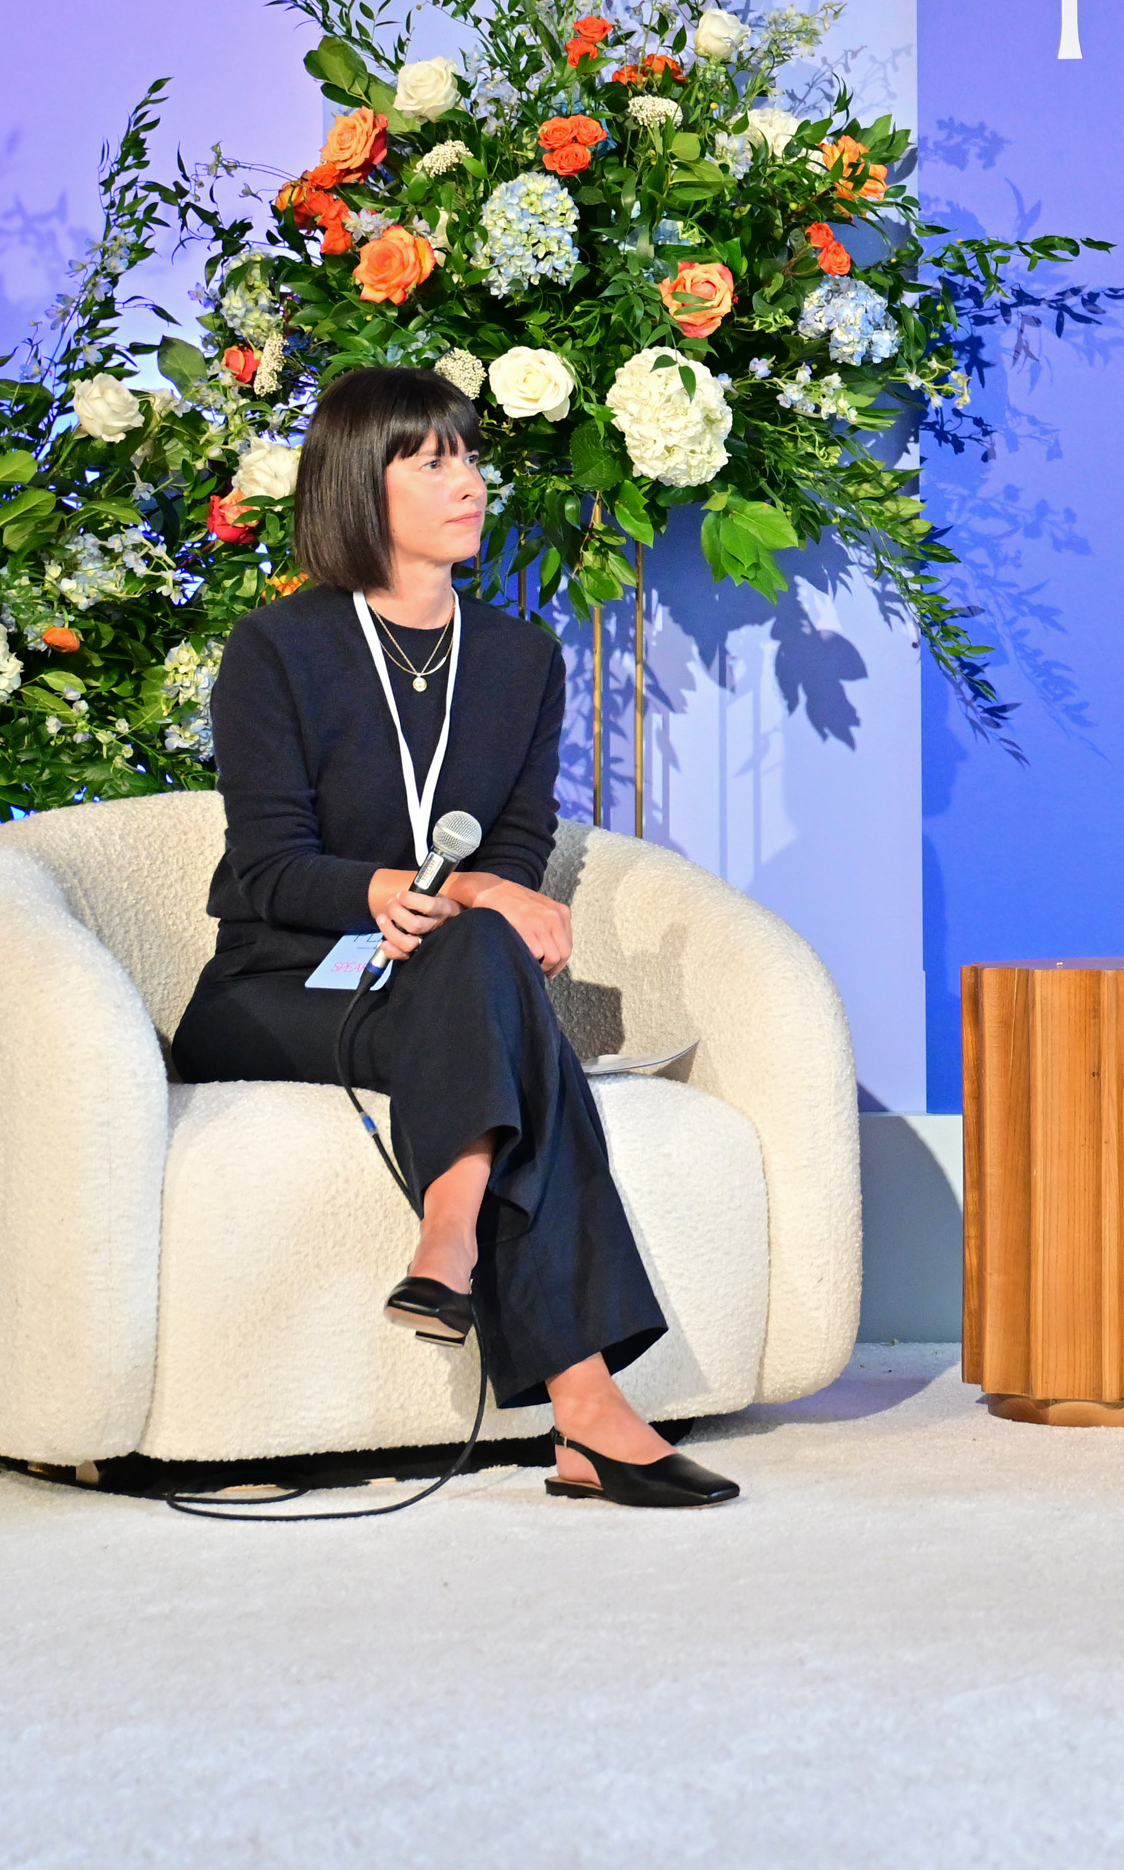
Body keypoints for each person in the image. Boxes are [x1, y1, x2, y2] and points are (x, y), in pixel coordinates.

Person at [169, 367, 737, 1508]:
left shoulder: (522, 659)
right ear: (357, 485)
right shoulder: (277, 648)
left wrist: (485, 900)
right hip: (283, 984)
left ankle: (459, 1249)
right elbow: (268, 868)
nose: (468, 482)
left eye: (469, 457)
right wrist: (418, 890)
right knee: (505, 1006)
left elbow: (518, 847)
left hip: (435, 988)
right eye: (431, 462)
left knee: (482, 958)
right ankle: (578, 1398)